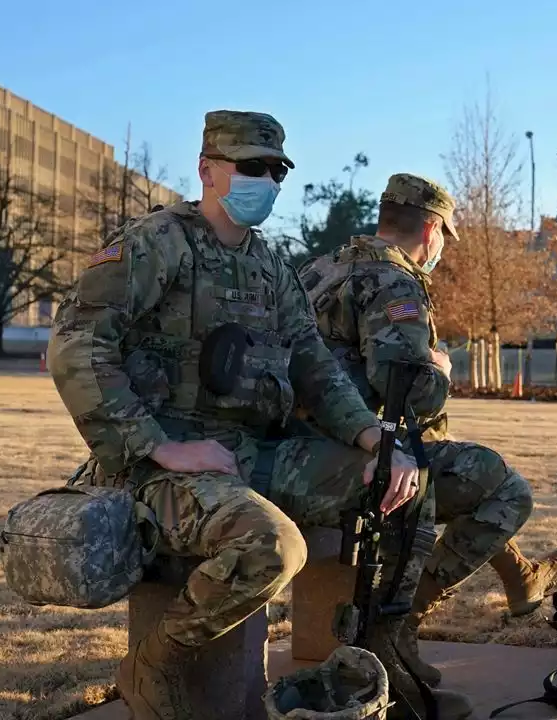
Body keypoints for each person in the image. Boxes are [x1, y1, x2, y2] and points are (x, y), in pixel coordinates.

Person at [47, 111, 471, 719]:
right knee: (273, 548)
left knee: (404, 480)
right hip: (160, 466)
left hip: (251, 453)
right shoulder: (155, 244)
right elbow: (76, 344)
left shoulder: (270, 265)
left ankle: (376, 654)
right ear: (208, 171)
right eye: (251, 167)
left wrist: (372, 436)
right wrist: (157, 446)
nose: (266, 181)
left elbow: (314, 366)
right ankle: (155, 662)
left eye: (276, 170)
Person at [297, 172, 557, 688]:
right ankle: (397, 623)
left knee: (451, 465)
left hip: (300, 454)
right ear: (430, 229)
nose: (442, 247)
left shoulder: (320, 268)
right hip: (356, 462)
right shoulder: (394, 281)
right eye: (445, 235)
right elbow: (407, 391)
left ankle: (521, 579)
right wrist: (440, 369)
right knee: (505, 488)